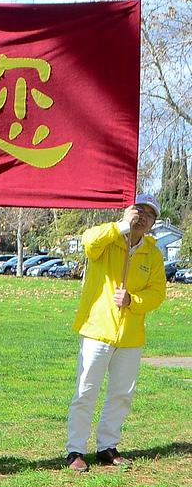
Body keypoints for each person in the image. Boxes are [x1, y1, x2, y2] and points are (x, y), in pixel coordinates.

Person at [65, 194, 166, 472]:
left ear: (153, 223)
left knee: (122, 394)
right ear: (127, 211)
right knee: (86, 391)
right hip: (97, 329)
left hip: (131, 336)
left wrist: (133, 300)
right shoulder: (108, 240)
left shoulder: (153, 254)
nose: (142, 217)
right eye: (138, 210)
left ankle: (107, 446)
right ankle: (75, 449)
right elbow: (88, 242)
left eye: (149, 214)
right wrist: (121, 226)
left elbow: (157, 293)